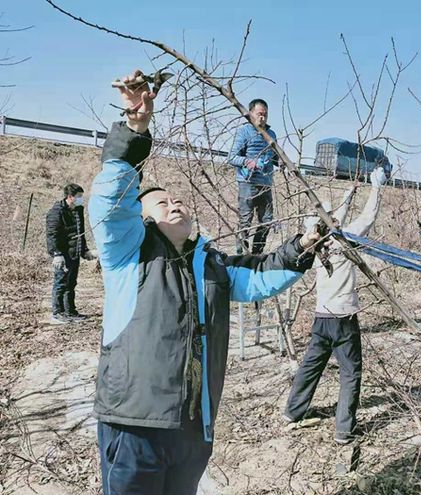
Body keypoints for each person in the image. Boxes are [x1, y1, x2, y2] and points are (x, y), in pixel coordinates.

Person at [89, 70, 322, 495]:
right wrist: (134, 130)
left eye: (179, 199)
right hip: (136, 425)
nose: (174, 202)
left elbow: (259, 276)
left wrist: (304, 244)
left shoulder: (211, 266)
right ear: (142, 218)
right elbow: (109, 201)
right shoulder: (128, 254)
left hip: (194, 429)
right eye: (161, 202)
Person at [283, 167, 387, 444]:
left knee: (311, 365)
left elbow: (335, 217)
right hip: (343, 319)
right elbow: (368, 217)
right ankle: (344, 430)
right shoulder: (345, 239)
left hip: (321, 317)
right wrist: (376, 186)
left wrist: (349, 192)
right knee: (351, 373)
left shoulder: (315, 243)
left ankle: (293, 412)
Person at [228, 98, 278, 254]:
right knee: (245, 221)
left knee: (267, 220)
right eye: (259, 114)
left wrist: (282, 163)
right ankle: (241, 253)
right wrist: (250, 162)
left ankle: (257, 253)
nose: (262, 118)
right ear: (251, 114)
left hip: (266, 183)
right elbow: (232, 157)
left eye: (265, 115)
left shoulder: (271, 134)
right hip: (247, 183)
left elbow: (275, 158)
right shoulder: (244, 131)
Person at [46, 183, 96, 324]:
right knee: (61, 283)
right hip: (62, 254)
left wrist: (84, 250)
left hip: (74, 252)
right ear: (70, 197)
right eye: (79, 197)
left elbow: (80, 232)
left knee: (71, 283)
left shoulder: (78, 209)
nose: (82, 199)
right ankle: (57, 314)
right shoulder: (56, 212)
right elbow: (52, 235)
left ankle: (70, 311)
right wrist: (56, 254)